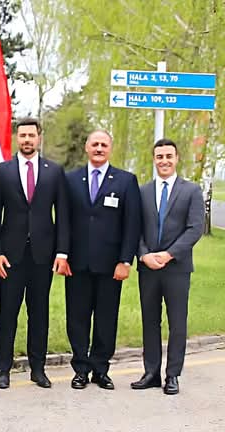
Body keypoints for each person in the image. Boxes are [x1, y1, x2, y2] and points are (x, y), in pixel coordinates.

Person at [0, 118, 70, 390]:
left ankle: (38, 369)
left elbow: (63, 214)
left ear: (39, 138)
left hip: (42, 256)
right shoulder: (2, 172)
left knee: (39, 314)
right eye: (22, 135)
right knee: (8, 313)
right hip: (10, 256)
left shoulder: (54, 172)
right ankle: (3, 369)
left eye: (31, 135)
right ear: (17, 138)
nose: (27, 140)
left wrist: (62, 252)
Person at [64, 129, 141, 390]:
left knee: (106, 319)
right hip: (77, 263)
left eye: (103, 145)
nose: (99, 148)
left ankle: (100, 369)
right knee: (77, 318)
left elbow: (132, 224)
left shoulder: (126, 181)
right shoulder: (71, 179)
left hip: (111, 265)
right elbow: (63, 220)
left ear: (110, 149)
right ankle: (80, 369)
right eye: (95, 144)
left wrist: (125, 260)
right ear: (87, 147)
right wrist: (62, 254)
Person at [131, 138, 204, 395]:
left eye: (168, 156)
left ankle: (172, 375)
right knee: (150, 321)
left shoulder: (191, 191)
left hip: (177, 268)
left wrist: (169, 254)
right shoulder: (142, 192)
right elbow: (135, 229)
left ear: (176, 158)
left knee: (177, 323)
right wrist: (144, 255)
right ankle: (151, 373)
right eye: (159, 156)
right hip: (148, 268)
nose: (164, 161)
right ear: (154, 159)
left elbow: (195, 228)